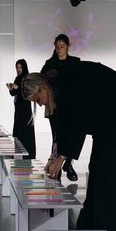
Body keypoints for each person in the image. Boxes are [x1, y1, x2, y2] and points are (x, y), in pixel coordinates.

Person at [22, 58, 116, 231]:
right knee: (96, 167)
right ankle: (91, 225)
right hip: (108, 118)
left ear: (42, 87)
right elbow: (62, 126)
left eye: (37, 99)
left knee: (106, 170)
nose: (40, 104)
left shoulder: (67, 82)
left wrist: (61, 159)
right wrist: (54, 156)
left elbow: (78, 122)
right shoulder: (58, 88)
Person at [42, 33, 80, 181]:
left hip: (71, 106)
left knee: (71, 134)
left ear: (68, 47)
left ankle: (68, 163)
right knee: (56, 136)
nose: (59, 49)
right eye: (57, 46)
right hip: (55, 106)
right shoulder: (49, 64)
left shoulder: (75, 62)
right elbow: (42, 83)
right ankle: (57, 167)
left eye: (62, 46)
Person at [6, 58, 36, 160]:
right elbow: (14, 94)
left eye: (20, 67)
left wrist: (17, 88)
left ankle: (28, 154)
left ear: (24, 67)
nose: (18, 69)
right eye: (17, 67)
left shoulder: (27, 78)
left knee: (26, 133)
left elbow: (28, 92)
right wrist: (11, 88)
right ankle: (19, 152)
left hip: (25, 110)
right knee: (18, 132)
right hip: (18, 110)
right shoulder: (18, 78)